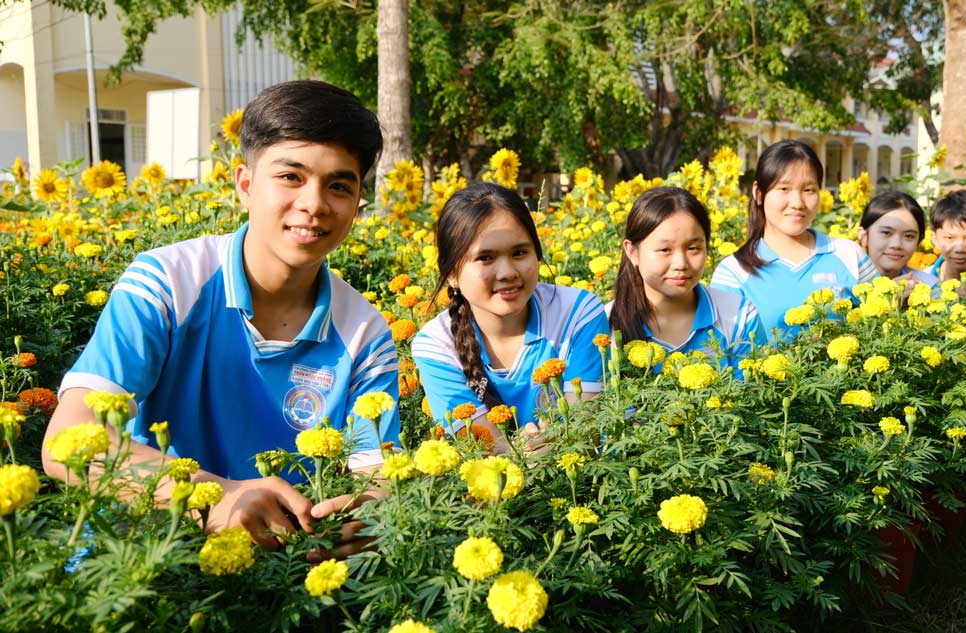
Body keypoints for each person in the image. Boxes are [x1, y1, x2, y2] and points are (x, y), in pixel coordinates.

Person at [42, 80, 399, 556]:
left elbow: (376, 475)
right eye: (291, 177)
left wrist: (367, 511)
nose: (314, 204)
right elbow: (69, 441)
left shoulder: (365, 333)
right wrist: (218, 498)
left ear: (357, 205)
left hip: (286, 571)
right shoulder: (168, 282)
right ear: (245, 185)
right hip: (145, 564)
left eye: (338, 185)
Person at [412, 183, 610, 450]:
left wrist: (554, 446)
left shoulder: (578, 314)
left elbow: (583, 429)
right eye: (485, 258)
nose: (507, 272)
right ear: (451, 273)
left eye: (519, 253)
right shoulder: (436, 347)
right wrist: (533, 455)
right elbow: (488, 453)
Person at [710, 140, 878, 342]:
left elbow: (877, 325)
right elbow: (723, 352)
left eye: (809, 190)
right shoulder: (733, 273)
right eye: (784, 189)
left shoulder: (850, 255)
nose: (797, 203)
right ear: (759, 193)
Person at [607, 186, 765, 373]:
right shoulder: (606, 325)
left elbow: (755, 397)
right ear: (632, 252)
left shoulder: (739, 316)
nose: (681, 264)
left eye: (693, 248)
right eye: (665, 250)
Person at [858, 190, 938, 285]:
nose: (896, 245)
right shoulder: (842, 285)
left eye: (909, 236)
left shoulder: (930, 288)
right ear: (864, 236)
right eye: (886, 233)